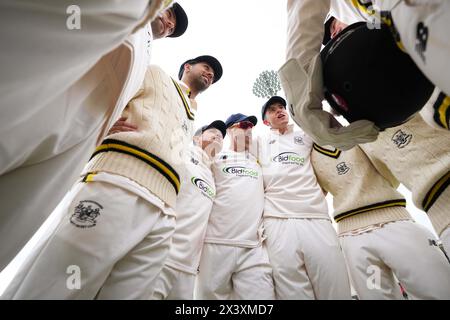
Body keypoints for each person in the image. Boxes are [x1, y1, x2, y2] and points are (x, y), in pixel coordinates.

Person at [1, 54, 223, 299]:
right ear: (187, 66)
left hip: (164, 211)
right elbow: (97, 94)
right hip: (118, 182)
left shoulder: (191, 115)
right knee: (61, 284)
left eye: (214, 74)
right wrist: (101, 125)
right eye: (207, 67)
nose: (210, 73)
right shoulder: (155, 74)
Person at [0, 1, 189, 270]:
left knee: (15, 214)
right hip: (48, 96)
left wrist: (108, 123)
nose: (169, 24)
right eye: (169, 14)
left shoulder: (148, 57)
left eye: (172, 27)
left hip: (83, 136)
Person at [279, 0, 450, 150]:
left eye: (331, 26)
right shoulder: (434, 108)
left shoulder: (344, 7)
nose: (332, 35)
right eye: (329, 39)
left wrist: (297, 70)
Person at [311, 141, 450, 299]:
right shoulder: (305, 152)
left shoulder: (361, 132)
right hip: (354, 240)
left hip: (395, 224)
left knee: (436, 290)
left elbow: (390, 170)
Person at [258, 96, 351, 299]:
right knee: (292, 289)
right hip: (277, 220)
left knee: (334, 284)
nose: (280, 111)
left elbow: (329, 127)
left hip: (315, 215)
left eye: (282, 107)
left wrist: (332, 104)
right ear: (265, 121)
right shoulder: (258, 142)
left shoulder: (305, 135)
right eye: (273, 110)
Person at [196, 114, 275, 300]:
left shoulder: (259, 161)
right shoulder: (215, 158)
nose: (249, 129)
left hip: (253, 249)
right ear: (230, 130)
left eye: (251, 127)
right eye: (244, 125)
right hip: (215, 245)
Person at [150, 120, 226, 300]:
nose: (218, 136)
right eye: (213, 132)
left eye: (222, 136)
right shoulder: (182, 152)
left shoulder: (213, 171)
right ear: (196, 138)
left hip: (188, 268)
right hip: (160, 257)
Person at [360, 114, 450, 254]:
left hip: (436, 209)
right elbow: (389, 178)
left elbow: (390, 178)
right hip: (438, 213)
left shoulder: (363, 138)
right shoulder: (363, 140)